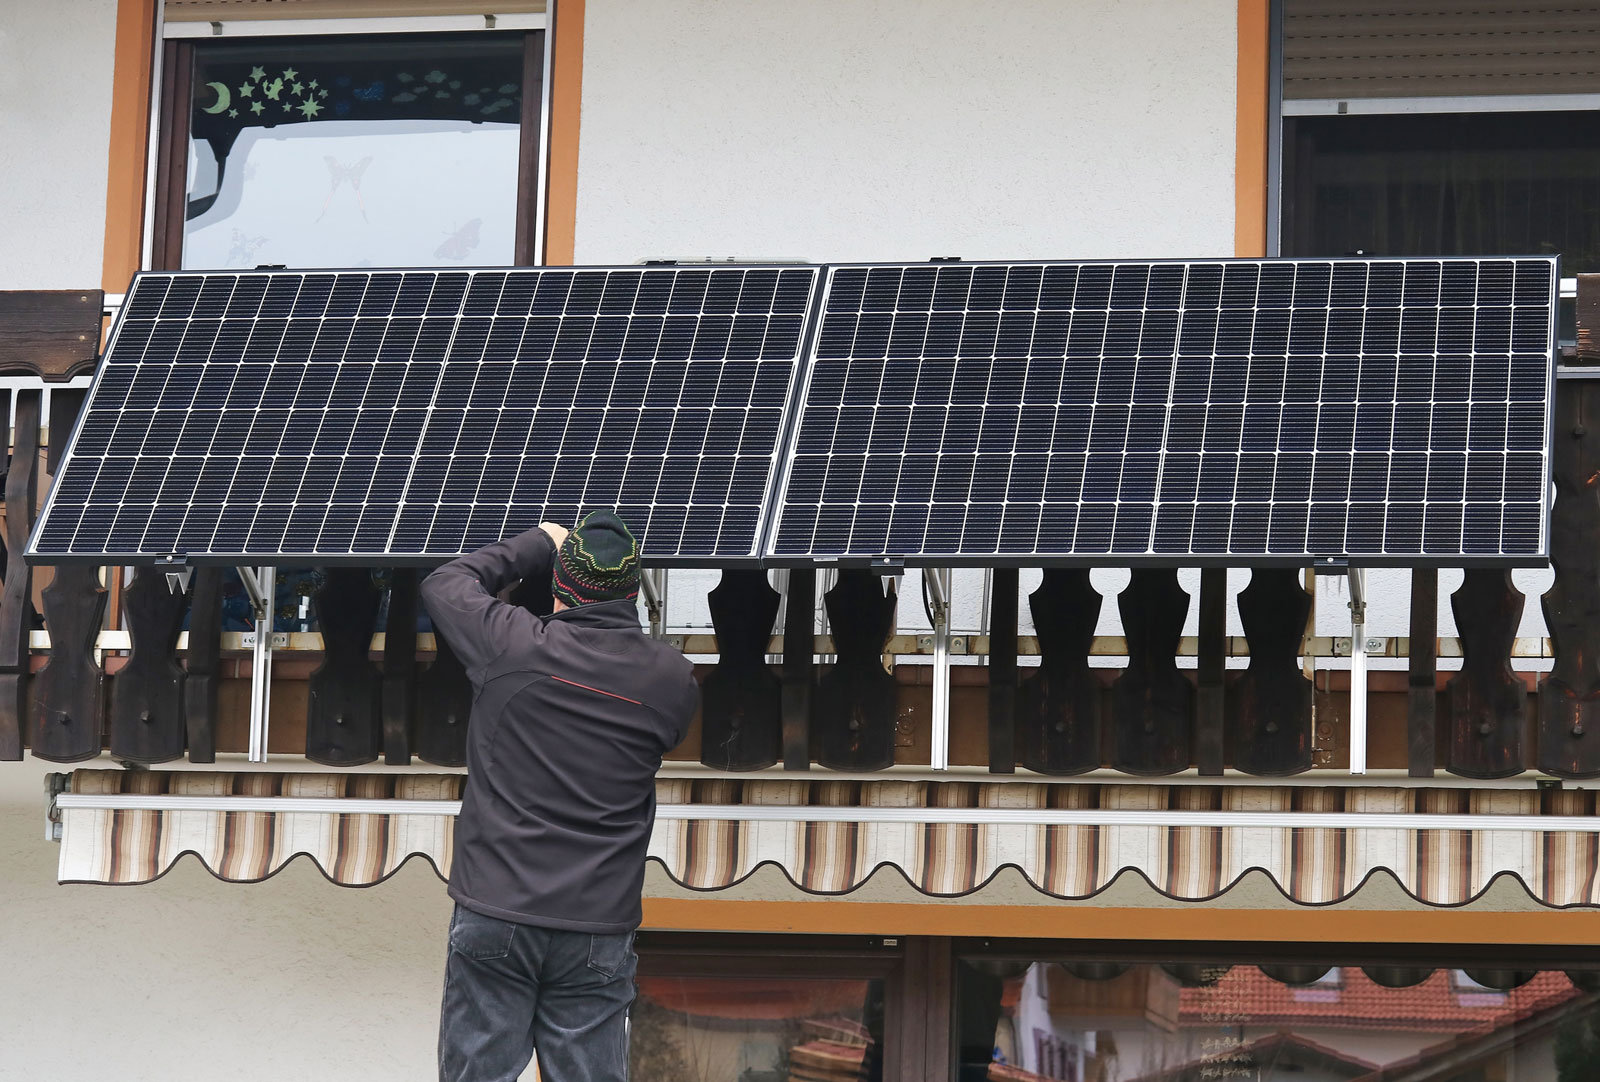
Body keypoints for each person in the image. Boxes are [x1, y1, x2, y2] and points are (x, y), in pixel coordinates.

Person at [421, 510, 700, 1082]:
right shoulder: (671, 678)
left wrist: (536, 542)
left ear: (560, 584)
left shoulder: (512, 646)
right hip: (598, 925)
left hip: (497, 906)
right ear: (633, 592)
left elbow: (444, 583)